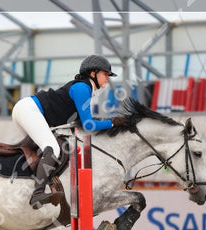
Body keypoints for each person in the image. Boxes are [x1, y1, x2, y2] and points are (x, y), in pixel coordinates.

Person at [11, 54, 127, 209]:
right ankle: (37, 193)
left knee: (42, 149)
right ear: (93, 73)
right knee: (53, 148)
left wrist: (110, 123)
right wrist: (112, 123)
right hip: (29, 110)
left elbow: (81, 123)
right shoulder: (82, 88)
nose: (108, 78)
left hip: (27, 110)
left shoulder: (85, 89)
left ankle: (24, 188)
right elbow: (89, 125)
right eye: (105, 74)